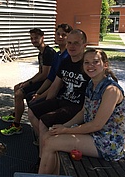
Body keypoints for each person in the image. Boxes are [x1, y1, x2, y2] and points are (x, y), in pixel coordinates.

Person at [38, 48, 125, 174]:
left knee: (52, 143)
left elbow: (97, 125)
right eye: (86, 62)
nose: (90, 66)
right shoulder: (91, 84)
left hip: (108, 142)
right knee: (48, 135)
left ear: (105, 65)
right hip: (94, 135)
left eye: (95, 62)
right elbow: (83, 112)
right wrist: (64, 126)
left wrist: (66, 130)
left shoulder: (111, 90)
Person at [28, 29, 90, 166]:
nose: (72, 46)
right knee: (32, 110)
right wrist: (47, 103)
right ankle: (44, 144)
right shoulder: (65, 61)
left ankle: (41, 159)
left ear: (84, 45)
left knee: (44, 121)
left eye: (76, 43)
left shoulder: (88, 65)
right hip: (62, 100)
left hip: (76, 106)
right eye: (69, 43)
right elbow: (55, 85)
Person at [0, 28, 55, 136]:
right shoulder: (41, 53)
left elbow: (45, 75)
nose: (33, 40)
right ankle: (16, 113)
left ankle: (16, 125)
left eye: (36, 38)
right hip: (43, 80)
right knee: (17, 87)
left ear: (42, 37)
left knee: (19, 93)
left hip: (48, 83)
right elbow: (40, 72)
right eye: (31, 38)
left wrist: (28, 84)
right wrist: (26, 82)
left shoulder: (48, 52)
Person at [29, 24, 73, 106]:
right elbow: (50, 78)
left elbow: (58, 85)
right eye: (58, 34)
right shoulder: (57, 55)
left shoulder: (68, 56)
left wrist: (41, 96)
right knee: (31, 97)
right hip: (52, 88)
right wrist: (37, 93)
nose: (60, 37)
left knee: (35, 104)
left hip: (62, 94)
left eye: (63, 35)